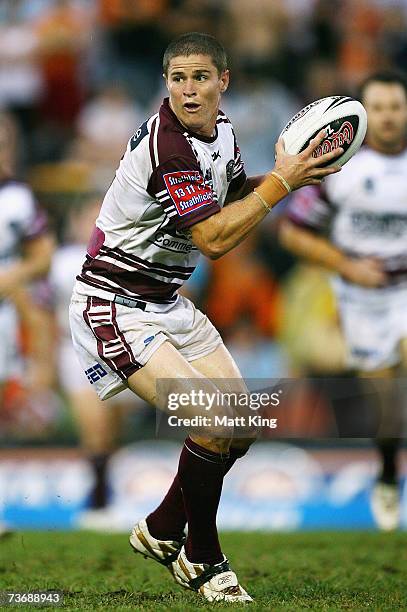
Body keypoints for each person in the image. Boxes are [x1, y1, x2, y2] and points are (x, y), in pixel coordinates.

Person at [69, 32, 342, 602]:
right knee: (215, 423)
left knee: (238, 423)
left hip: (167, 302)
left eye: (199, 78)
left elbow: (232, 194)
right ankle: (202, 557)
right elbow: (214, 239)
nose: (188, 91)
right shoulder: (170, 144)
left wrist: (287, 175)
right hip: (116, 303)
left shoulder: (225, 134)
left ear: (224, 81)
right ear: (165, 83)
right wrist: (282, 184)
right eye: (177, 79)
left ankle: (164, 527)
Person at [279, 70, 407, 531]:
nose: (390, 117)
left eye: (397, 106)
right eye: (381, 108)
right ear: (365, 116)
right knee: (387, 404)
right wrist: (348, 266)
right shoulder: (340, 170)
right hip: (361, 296)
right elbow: (292, 232)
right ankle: (389, 473)